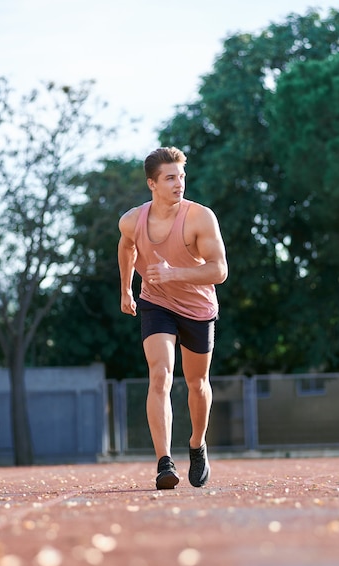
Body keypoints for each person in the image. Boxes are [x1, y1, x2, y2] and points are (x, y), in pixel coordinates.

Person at [118, 146, 228, 489]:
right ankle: (164, 463)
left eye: (181, 176)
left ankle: (197, 444)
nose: (179, 183)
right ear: (153, 184)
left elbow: (220, 270)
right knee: (160, 375)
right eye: (170, 178)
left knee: (197, 384)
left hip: (198, 308)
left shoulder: (200, 217)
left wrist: (174, 273)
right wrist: (126, 289)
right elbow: (126, 247)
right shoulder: (132, 220)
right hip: (157, 304)